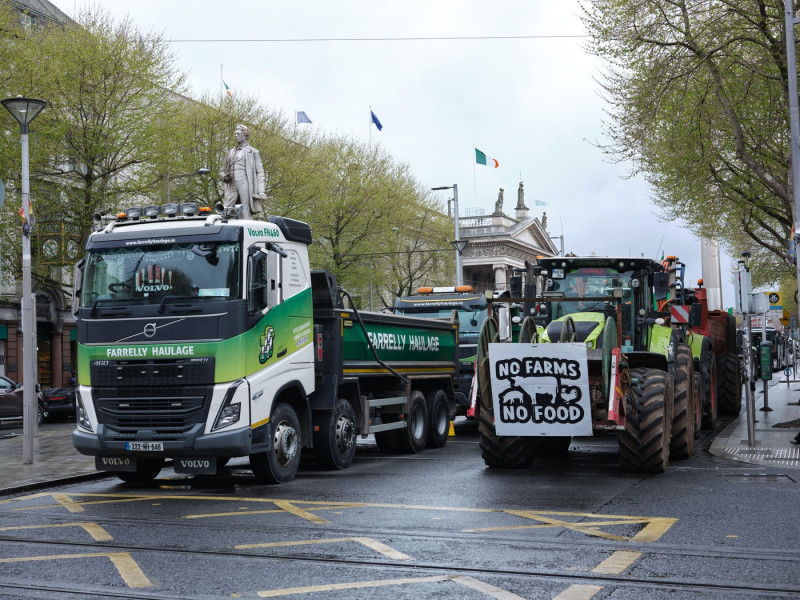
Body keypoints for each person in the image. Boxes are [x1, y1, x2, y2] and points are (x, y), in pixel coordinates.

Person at [219, 124, 266, 219]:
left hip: (245, 182)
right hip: (231, 183)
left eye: (238, 133)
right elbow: (222, 170)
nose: (235, 135)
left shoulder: (253, 152)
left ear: (245, 135)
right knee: (224, 210)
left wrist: (261, 191)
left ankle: (246, 230)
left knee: (245, 210)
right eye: (235, 133)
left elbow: (260, 172)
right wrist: (224, 177)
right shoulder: (229, 152)